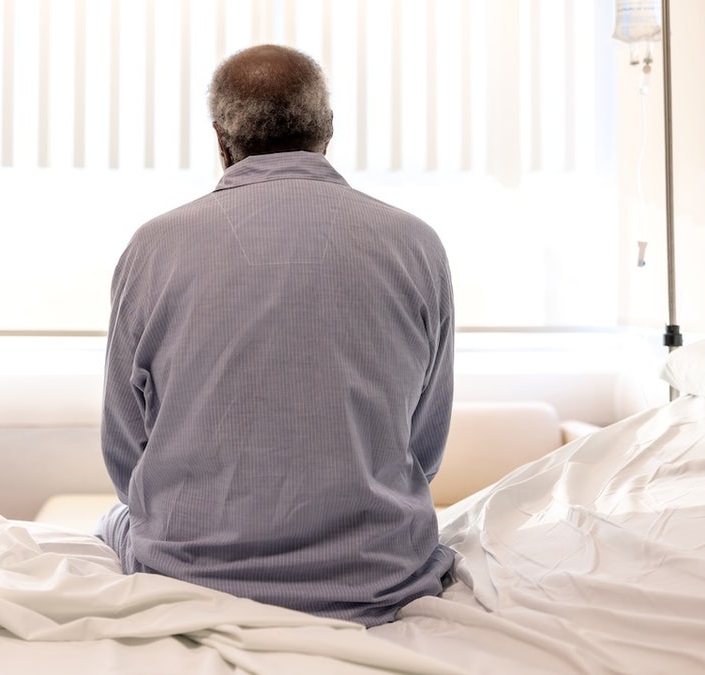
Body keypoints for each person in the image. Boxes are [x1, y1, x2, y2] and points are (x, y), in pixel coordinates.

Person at [96, 44, 455, 628]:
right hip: (377, 580)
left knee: (106, 525)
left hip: (189, 579)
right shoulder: (415, 243)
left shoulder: (152, 246)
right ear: (329, 129)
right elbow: (424, 447)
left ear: (220, 139)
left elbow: (124, 455)